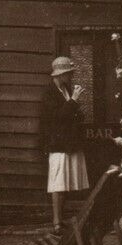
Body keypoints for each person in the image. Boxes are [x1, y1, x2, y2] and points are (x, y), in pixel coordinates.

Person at [39, 56, 88, 228]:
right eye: (68, 73)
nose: (71, 76)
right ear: (60, 74)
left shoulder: (65, 89)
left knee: (65, 182)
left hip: (69, 142)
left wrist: (76, 107)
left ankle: (61, 219)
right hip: (58, 144)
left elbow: (73, 114)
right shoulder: (49, 93)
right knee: (58, 183)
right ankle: (57, 222)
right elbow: (58, 117)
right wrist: (74, 101)